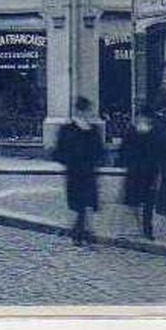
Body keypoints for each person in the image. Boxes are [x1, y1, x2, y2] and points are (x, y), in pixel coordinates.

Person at [52, 96, 104, 246]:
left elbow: (99, 150)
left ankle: (79, 232)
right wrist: (70, 159)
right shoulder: (68, 130)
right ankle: (81, 233)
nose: (87, 114)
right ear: (79, 112)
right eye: (85, 111)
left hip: (89, 172)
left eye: (88, 111)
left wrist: (98, 161)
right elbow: (59, 151)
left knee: (87, 203)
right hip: (75, 172)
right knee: (80, 204)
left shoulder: (93, 129)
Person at [120, 105, 166, 239]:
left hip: (144, 171)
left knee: (146, 202)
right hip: (141, 170)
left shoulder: (150, 131)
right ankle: (144, 228)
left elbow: (125, 150)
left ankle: (146, 228)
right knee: (140, 201)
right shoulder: (138, 131)